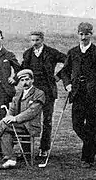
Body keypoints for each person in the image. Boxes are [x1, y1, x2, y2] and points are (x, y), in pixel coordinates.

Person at [60, 22, 96, 167]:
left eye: (86, 34)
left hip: (93, 96)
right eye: (81, 34)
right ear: (78, 34)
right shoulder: (73, 52)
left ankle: (87, 159)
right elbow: (64, 71)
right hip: (77, 94)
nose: (83, 37)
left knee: (91, 127)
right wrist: (67, 84)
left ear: (91, 35)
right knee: (77, 125)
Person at [21, 31, 66, 160]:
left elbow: (69, 61)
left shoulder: (52, 52)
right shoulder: (27, 54)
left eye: (37, 40)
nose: (34, 43)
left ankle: (44, 149)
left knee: (47, 121)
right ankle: (27, 150)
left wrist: (59, 75)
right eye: (32, 40)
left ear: (42, 40)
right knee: (28, 119)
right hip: (32, 92)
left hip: (48, 92)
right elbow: (23, 70)